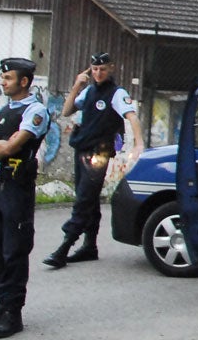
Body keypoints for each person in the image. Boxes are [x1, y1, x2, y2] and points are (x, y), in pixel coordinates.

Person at [0, 57, 50, 339]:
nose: (3, 82)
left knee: (14, 249)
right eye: (3, 78)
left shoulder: (36, 111)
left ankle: (13, 313)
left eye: (8, 78)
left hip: (16, 187)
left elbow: (13, 147)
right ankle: (0, 302)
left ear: (24, 81)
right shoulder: (2, 112)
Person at [43, 51, 143, 268]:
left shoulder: (117, 94)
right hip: (82, 150)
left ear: (111, 69)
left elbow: (132, 117)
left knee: (83, 200)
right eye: (95, 69)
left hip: (100, 153)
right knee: (86, 197)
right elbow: (67, 110)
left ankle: (64, 247)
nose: (98, 73)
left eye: (103, 69)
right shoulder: (88, 92)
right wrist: (76, 86)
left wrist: (139, 144)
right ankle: (90, 246)